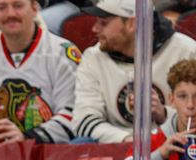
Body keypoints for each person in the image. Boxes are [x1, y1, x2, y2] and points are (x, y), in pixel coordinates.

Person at [0, 0, 80, 145]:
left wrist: (28, 138)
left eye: (18, 5)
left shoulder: (61, 53)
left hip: (47, 152)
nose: (10, 14)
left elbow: (73, 114)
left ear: (34, 8)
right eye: (1, 7)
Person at [73, 0, 196, 143]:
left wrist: (163, 114)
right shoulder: (93, 58)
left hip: (175, 141)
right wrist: (127, 140)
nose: (94, 29)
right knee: (80, 142)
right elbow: (84, 119)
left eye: (103, 23)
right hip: (116, 144)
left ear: (132, 24)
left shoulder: (187, 51)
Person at [107, 59, 196, 160]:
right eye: (182, 96)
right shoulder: (155, 140)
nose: (190, 105)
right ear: (171, 99)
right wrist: (159, 156)